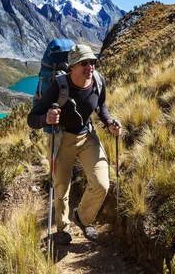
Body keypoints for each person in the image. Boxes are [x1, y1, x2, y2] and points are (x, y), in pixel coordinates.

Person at [27, 44, 122, 245]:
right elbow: (32, 119)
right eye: (84, 63)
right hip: (62, 139)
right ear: (72, 66)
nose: (90, 67)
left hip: (87, 136)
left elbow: (100, 105)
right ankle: (63, 229)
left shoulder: (98, 81)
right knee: (61, 187)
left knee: (102, 184)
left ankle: (83, 218)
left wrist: (109, 123)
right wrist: (47, 118)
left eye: (93, 62)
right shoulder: (59, 86)